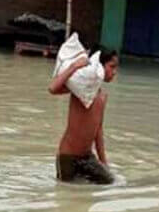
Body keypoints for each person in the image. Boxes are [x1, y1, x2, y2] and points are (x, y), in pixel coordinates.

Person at [49, 48, 120, 184]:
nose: (114, 72)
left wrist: (103, 161)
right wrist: (74, 66)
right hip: (68, 156)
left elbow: (98, 130)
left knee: (110, 182)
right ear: (99, 66)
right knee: (67, 194)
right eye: (111, 67)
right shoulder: (81, 89)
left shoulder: (102, 97)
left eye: (116, 68)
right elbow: (53, 88)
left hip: (87, 157)